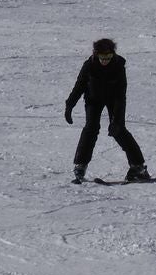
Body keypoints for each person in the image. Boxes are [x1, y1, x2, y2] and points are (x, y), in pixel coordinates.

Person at [64, 38, 149, 184]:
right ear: (96, 55)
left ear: (113, 55)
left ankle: (138, 167)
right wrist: (70, 105)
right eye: (102, 57)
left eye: (108, 57)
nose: (105, 60)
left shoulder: (118, 66)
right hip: (93, 99)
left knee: (118, 129)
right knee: (91, 128)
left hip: (114, 99)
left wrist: (117, 115)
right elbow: (79, 86)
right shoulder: (89, 66)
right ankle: (80, 165)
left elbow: (122, 92)